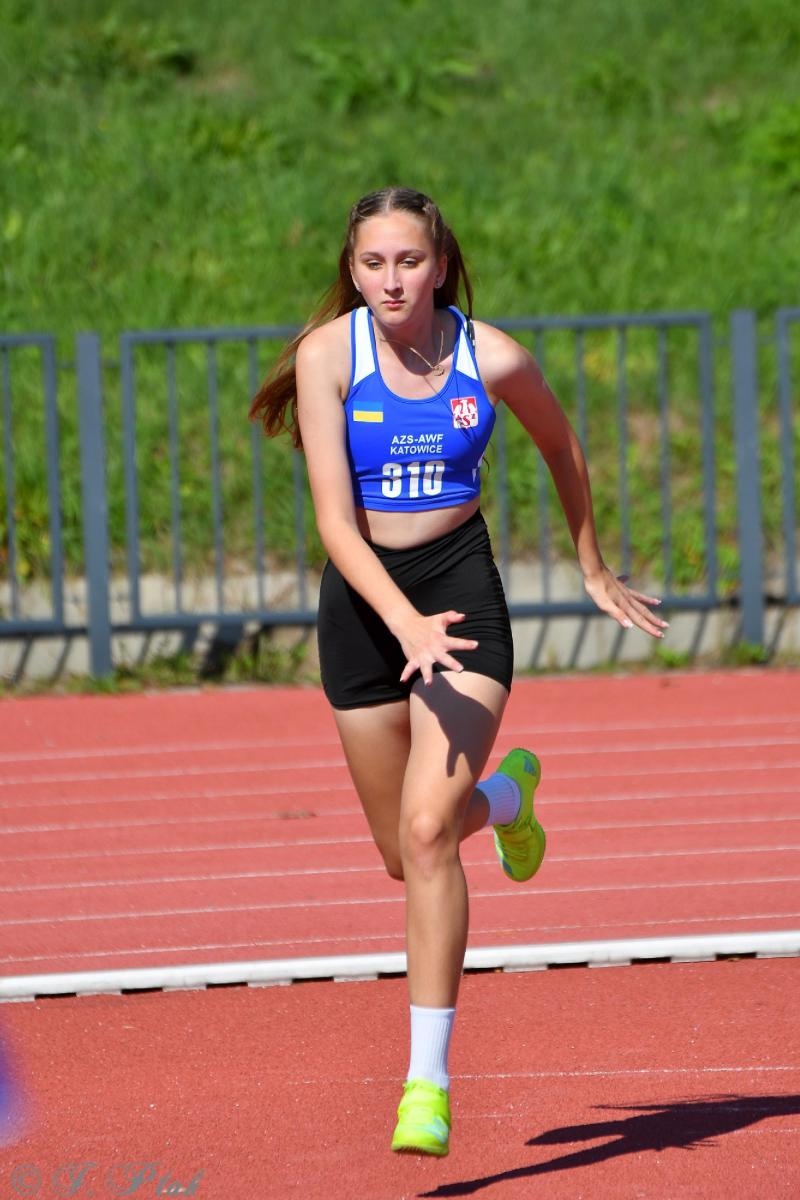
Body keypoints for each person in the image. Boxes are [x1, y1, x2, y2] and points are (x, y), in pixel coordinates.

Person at [250, 186, 667, 1157]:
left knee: (429, 832)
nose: (390, 281)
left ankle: (424, 1083)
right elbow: (332, 525)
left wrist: (590, 560)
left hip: (457, 592)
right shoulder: (327, 358)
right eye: (371, 265)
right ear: (350, 272)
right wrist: (399, 625)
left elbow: (558, 443)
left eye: (406, 262)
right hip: (364, 608)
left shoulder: (493, 358)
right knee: (402, 855)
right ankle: (509, 800)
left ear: (438, 264)